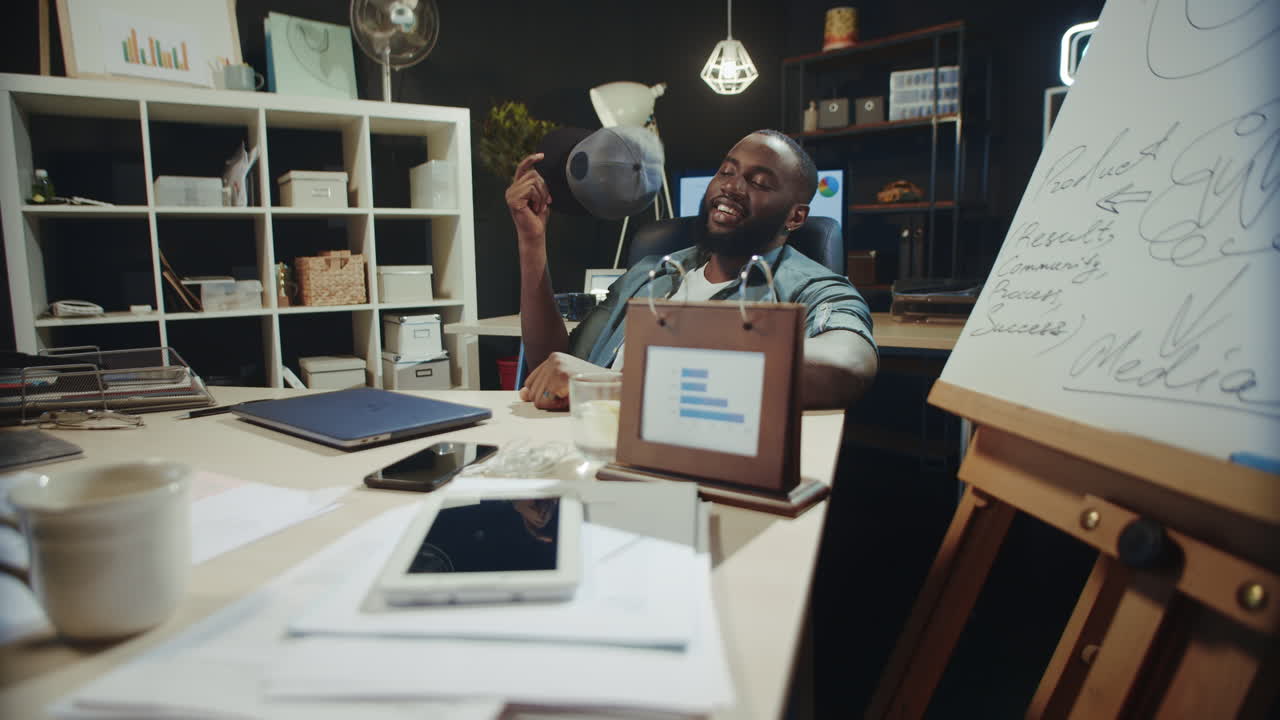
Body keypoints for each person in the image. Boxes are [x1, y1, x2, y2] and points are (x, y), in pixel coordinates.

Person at [507, 129, 878, 411]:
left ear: (796, 216)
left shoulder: (810, 286)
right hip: (586, 453)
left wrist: (622, 385)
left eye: (759, 182)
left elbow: (851, 364)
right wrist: (531, 243)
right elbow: (549, 367)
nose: (732, 187)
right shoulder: (650, 274)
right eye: (726, 172)